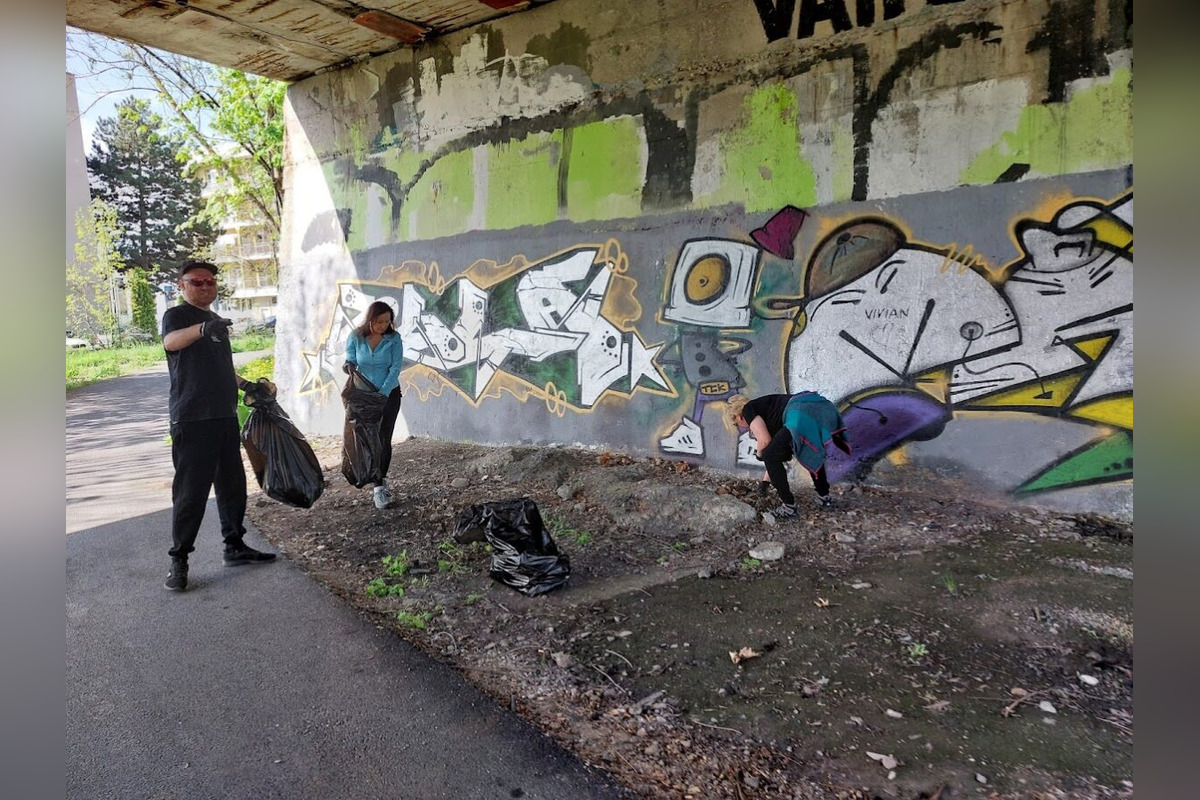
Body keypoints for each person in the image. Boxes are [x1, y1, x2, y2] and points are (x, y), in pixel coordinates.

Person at [161, 260, 277, 592]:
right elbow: (170, 342)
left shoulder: (215, 320)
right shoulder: (178, 316)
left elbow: (222, 367)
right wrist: (200, 330)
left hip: (224, 416)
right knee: (191, 493)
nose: (205, 286)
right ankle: (179, 559)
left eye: (211, 281)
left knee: (232, 486)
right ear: (182, 285)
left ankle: (234, 546)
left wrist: (246, 386)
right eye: (197, 281)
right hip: (192, 419)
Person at [727, 392, 851, 518]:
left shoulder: (748, 409)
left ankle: (789, 507)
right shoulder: (770, 414)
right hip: (813, 408)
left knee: (768, 455)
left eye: (735, 423)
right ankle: (824, 498)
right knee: (811, 454)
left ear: (738, 416)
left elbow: (764, 441)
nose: (740, 427)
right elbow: (774, 454)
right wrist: (765, 483)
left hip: (797, 412)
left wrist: (759, 455)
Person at [342, 301, 404, 509]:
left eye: (387, 321)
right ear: (370, 319)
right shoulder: (356, 336)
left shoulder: (394, 339)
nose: (384, 325)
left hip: (389, 396)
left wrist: (383, 394)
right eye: (380, 321)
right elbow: (350, 355)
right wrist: (349, 363)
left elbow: (395, 368)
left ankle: (380, 487)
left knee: (383, 439)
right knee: (366, 438)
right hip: (363, 397)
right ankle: (366, 473)